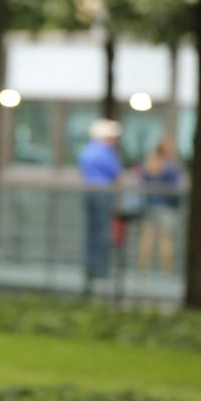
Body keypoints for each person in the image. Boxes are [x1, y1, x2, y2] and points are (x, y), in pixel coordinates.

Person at [78, 119, 122, 288]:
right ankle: (101, 269)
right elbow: (116, 173)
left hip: (89, 193)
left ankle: (90, 266)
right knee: (103, 231)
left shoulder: (86, 151)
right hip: (103, 194)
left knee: (91, 232)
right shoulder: (106, 152)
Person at [137, 138, 181, 273]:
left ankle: (143, 269)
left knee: (147, 238)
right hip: (167, 207)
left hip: (150, 205)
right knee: (166, 239)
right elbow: (176, 189)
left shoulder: (149, 164)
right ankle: (166, 270)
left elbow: (141, 180)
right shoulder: (171, 168)